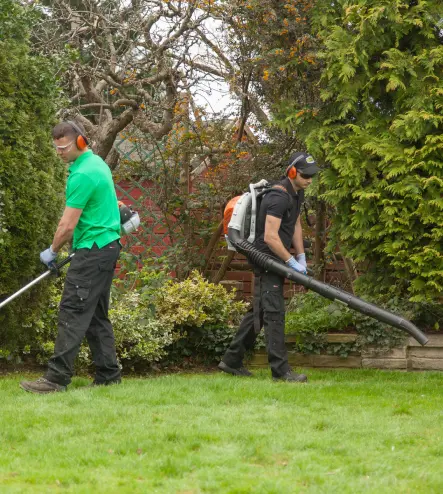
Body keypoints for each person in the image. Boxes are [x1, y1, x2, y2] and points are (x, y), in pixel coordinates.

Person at [20, 121, 122, 393]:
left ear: (80, 142)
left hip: (93, 251)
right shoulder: (96, 163)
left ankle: (56, 379)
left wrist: (52, 252)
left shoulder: (83, 175)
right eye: (56, 148)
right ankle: (109, 375)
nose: (59, 152)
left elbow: (67, 226)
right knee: (96, 315)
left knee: (73, 312)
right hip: (105, 248)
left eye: (63, 147)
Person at [218, 152, 320, 383]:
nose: (309, 180)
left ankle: (231, 361)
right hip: (266, 259)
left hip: (277, 259)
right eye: (305, 176)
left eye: (312, 176)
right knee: (274, 313)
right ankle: (281, 371)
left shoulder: (296, 193)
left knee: (260, 311)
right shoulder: (278, 197)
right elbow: (271, 237)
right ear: (292, 172)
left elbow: (294, 223)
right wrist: (290, 262)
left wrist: (301, 256)